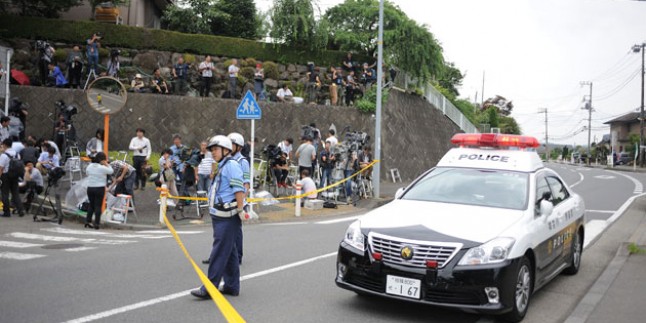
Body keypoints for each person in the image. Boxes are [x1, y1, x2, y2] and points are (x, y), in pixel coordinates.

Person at [191, 135, 246, 299]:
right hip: (220, 215)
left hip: (228, 216)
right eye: (212, 150)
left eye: (215, 149)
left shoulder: (232, 166)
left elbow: (238, 189)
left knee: (219, 251)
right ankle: (231, 286)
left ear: (226, 150)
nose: (213, 153)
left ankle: (209, 288)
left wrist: (241, 209)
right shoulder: (222, 165)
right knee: (229, 252)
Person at [228, 132, 250, 265]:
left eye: (232, 144)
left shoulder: (242, 162)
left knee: (236, 230)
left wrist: (241, 200)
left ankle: (238, 255)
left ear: (239, 147)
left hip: (238, 199)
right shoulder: (227, 160)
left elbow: (246, 183)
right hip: (227, 200)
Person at [84, 152, 114, 229]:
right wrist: (107, 164)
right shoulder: (102, 168)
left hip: (90, 187)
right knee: (98, 206)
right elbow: (111, 171)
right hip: (99, 188)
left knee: (91, 205)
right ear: (102, 160)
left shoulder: (90, 166)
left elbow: (87, 173)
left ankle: (88, 221)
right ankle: (96, 223)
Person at [0, 139, 25, 217]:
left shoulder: (4, 155)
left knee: (5, 194)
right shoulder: (17, 154)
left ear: (4, 145)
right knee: (15, 194)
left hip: (6, 176)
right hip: (15, 176)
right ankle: (20, 210)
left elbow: (1, 168)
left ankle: (6, 212)